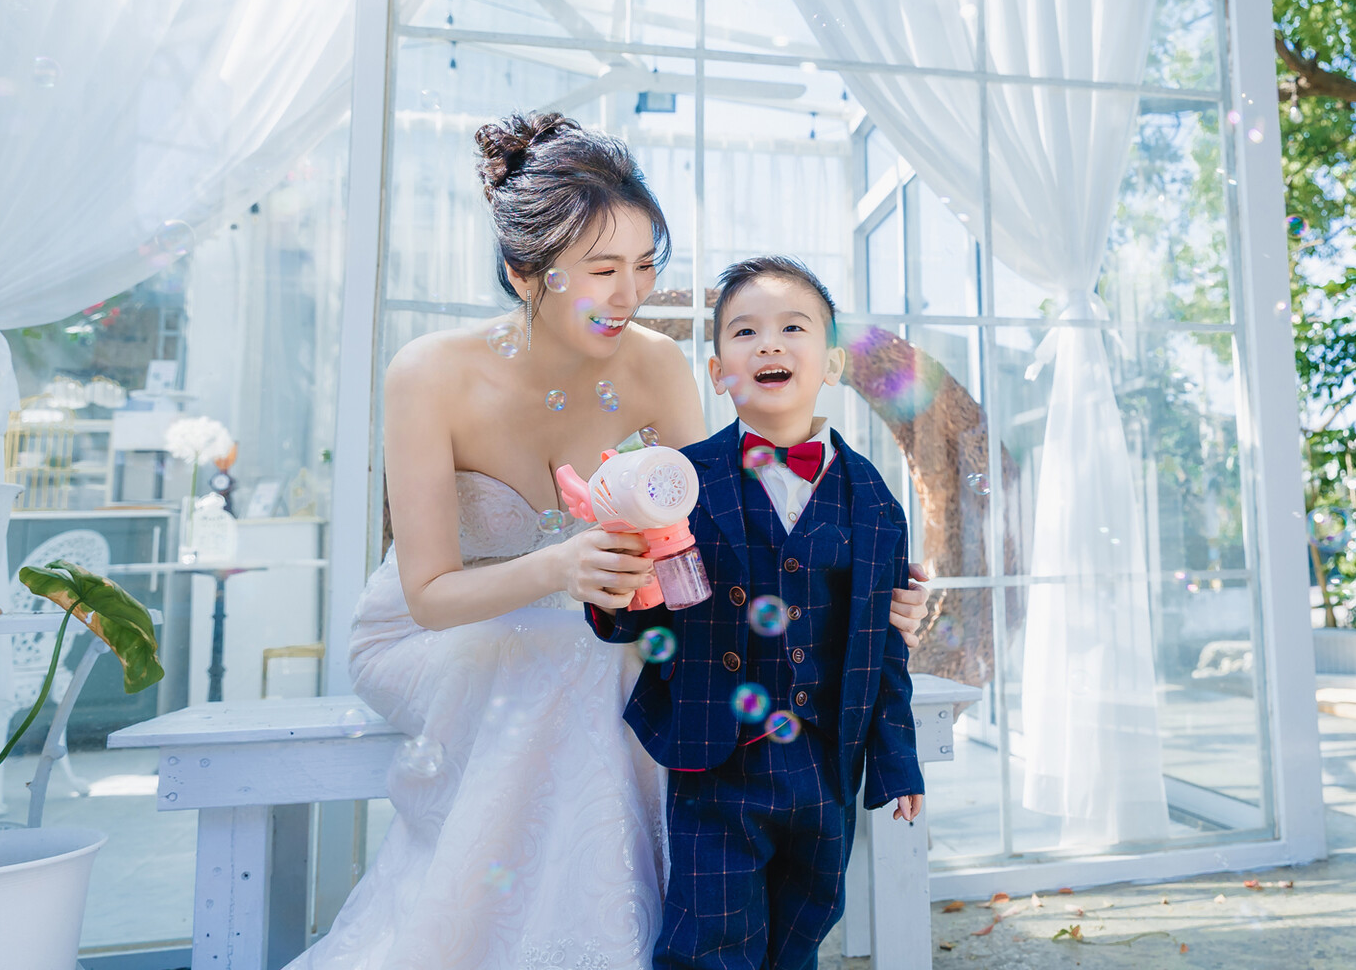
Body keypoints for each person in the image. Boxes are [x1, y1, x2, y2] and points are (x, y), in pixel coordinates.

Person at [287, 114, 929, 970]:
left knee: (626, 660)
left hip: (600, 609)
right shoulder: (429, 374)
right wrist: (561, 564)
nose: (631, 294)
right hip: (437, 626)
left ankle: (688, 918)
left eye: (644, 264)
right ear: (525, 272)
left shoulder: (656, 364)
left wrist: (866, 594)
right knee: (589, 670)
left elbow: (715, 540)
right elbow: (428, 594)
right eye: (602, 270)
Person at [587, 256, 924, 970]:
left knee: (804, 927)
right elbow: (647, 619)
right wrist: (620, 587)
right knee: (708, 938)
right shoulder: (677, 481)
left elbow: (883, 644)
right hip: (717, 761)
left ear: (832, 363)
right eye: (745, 332)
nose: (769, 343)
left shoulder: (874, 500)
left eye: (793, 328)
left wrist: (897, 764)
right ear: (718, 373)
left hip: (824, 767)